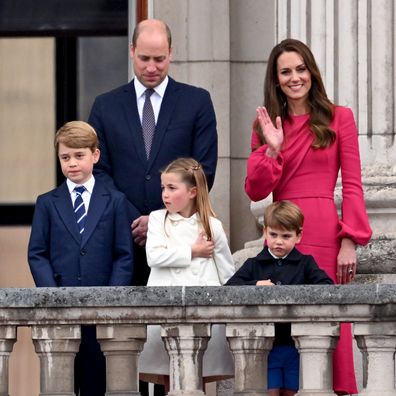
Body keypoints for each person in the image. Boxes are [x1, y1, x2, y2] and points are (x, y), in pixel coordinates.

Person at [245, 38, 372, 394]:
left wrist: (350, 239)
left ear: (311, 72)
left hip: (325, 232)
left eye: (300, 69)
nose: (295, 77)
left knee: (329, 318)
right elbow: (255, 190)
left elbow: (353, 184)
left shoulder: (339, 117)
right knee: (286, 323)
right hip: (283, 233)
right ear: (276, 78)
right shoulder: (265, 124)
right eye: (286, 71)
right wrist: (273, 147)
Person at [88, 19, 218, 287]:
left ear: (171, 52)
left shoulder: (197, 102)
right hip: (121, 240)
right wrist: (133, 219)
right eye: (144, 58)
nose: (151, 67)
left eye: (159, 59)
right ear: (131, 50)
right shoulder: (105, 106)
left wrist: (159, 220)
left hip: (180, 239)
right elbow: (97, 170)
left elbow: (203, 170)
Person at [28, 121, 134, 396]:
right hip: (61, 311)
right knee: (59, 386)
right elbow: (37, 253)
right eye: (65, 157)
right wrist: (53, 297)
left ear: (95, 155)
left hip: (101, 314)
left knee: (96, 383)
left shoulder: (115, 200)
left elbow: (123, 255)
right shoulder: (47, 202)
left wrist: (110, 299)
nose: (72, 163)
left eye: (79, 156)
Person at [139, 157, 235, 392]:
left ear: (192, 192)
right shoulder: (156, 220)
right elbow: (154, 257)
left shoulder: (212, 226)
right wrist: (193, 251)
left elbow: (227, 273)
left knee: (198, 374)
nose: (165, 194)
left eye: (172, 188)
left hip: (204, 311)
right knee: (169, 374)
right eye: (163, 187)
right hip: (164, 308)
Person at [226, 200, 333, 396]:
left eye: (286, 236)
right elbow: (229, 289)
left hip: (296, 344)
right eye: (273, 235)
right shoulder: (254, 264)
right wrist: (256, 285)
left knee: (292, 391)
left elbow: (326, 286)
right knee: (270, 391)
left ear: (298, 236)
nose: (279, 241)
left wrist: (298, 293)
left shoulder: (305, 263)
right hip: (266, 346)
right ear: (265, 232)